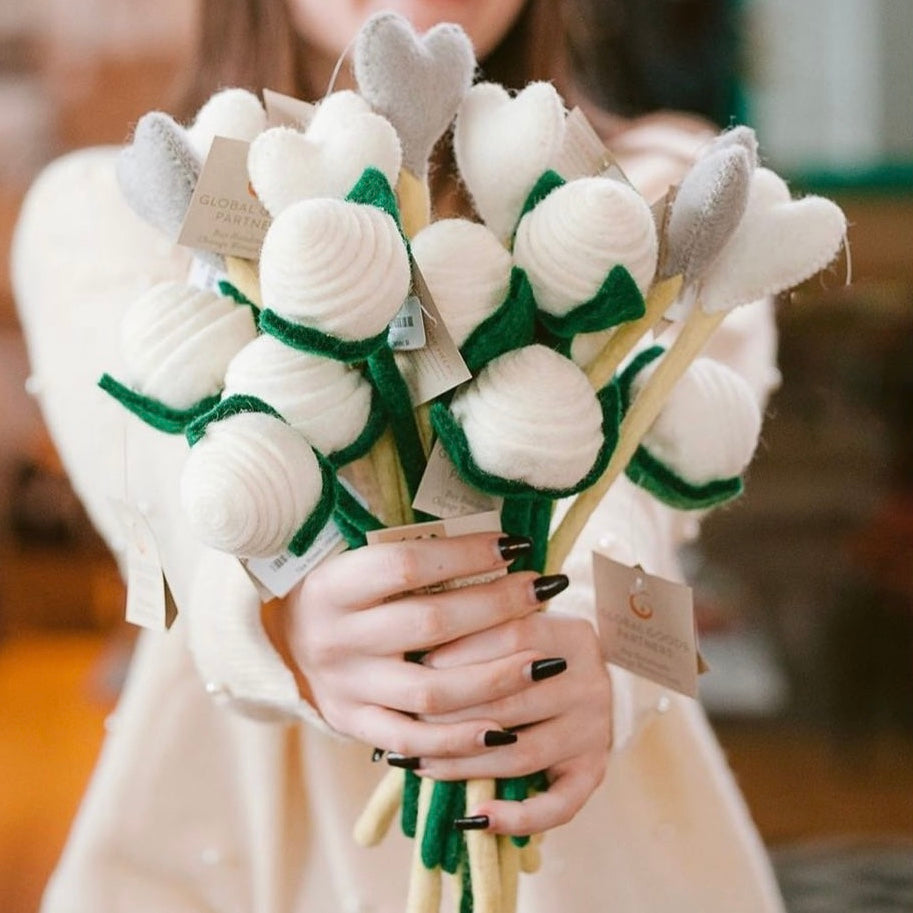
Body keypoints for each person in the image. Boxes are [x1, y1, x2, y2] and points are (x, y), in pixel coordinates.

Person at [12, 1, 785, 910]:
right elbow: (161, 493)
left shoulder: (669, 191)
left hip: (594, 850)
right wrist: (286, 608)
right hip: (243, 845)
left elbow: (647, 529)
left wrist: (601, 657)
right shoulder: (118, 207)